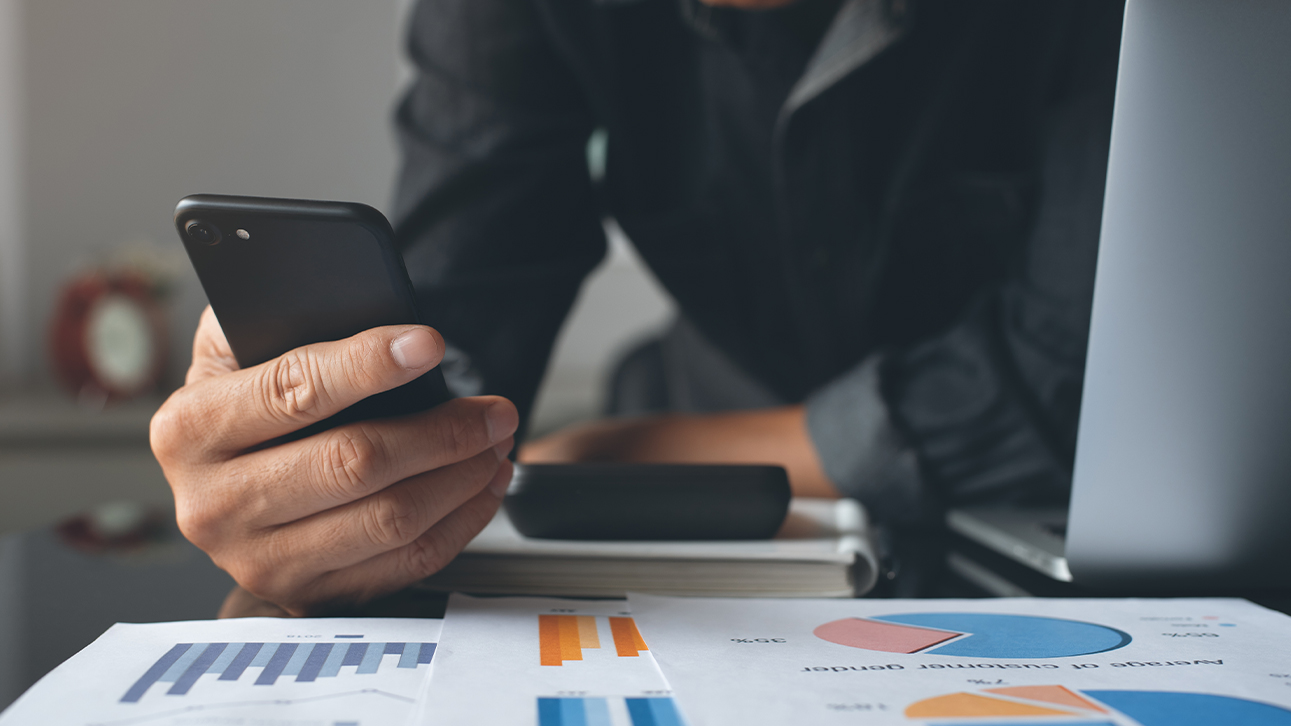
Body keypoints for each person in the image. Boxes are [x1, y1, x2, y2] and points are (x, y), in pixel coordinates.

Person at [150, 0, 1123, 616]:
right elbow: (455, 313)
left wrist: (617, 452)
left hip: (1057, 513)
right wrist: (332, 454)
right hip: (683, 475)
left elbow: (1078, 368)